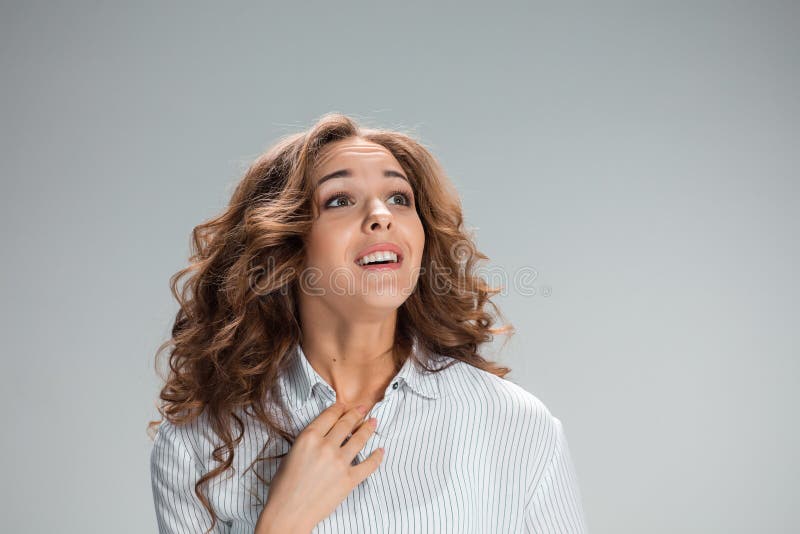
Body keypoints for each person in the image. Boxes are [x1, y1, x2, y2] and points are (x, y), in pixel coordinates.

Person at [148, 113, 588, 533]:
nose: (382, 214)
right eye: (339, 200)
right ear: (283, 247)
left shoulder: (516, 425)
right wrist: (282, 524)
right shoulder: (198, 444)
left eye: (400, 198)